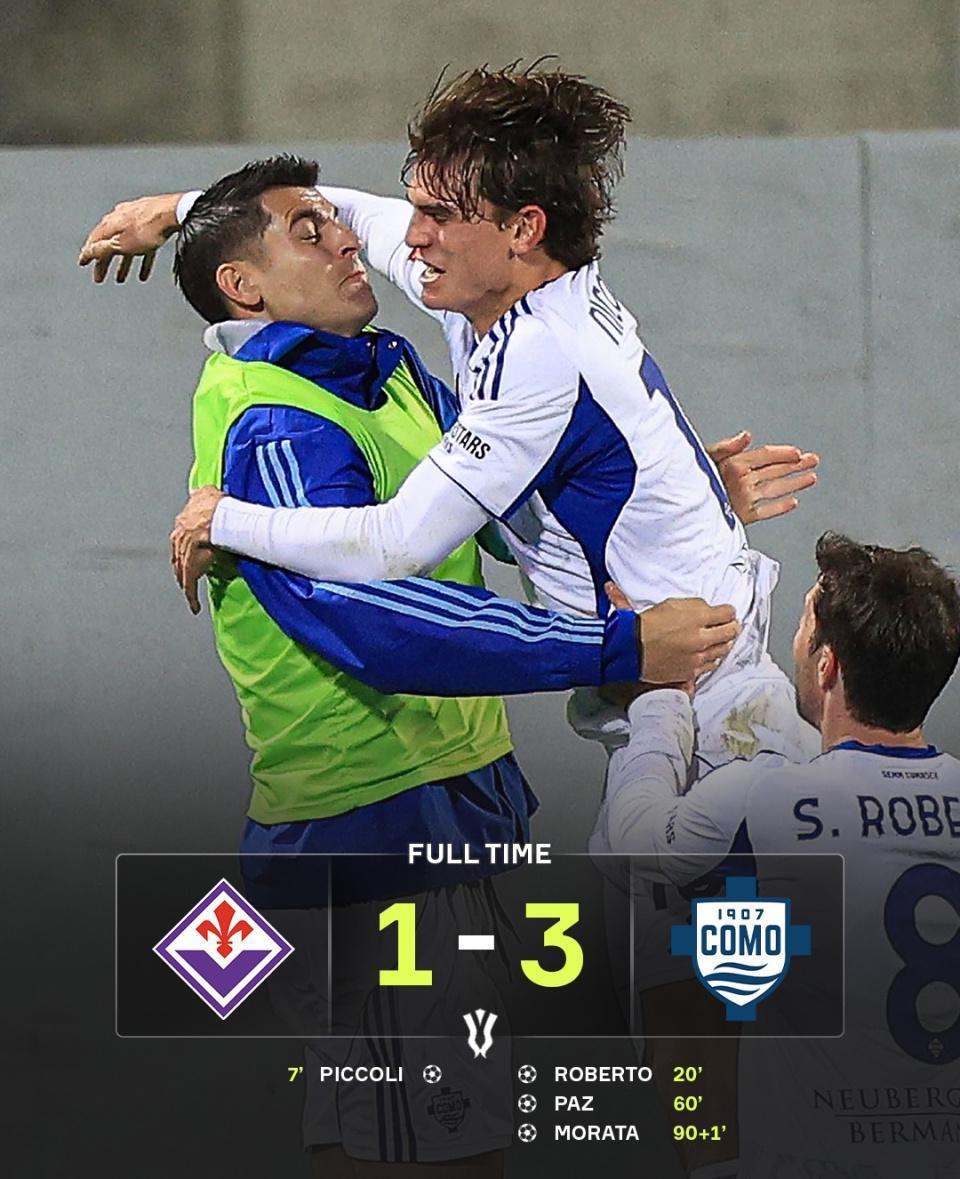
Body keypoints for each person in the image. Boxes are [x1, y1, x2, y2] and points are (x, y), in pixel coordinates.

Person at [127, 151, 752, 1177]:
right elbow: (375, 616)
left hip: (451, 804)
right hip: (372, 827)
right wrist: (617, 646)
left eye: (335, 220)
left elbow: (502, 500)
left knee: (401, 1137)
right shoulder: (278, 419)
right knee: (448, 1149)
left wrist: (657, 494)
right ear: (243, 286)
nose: (349, 240)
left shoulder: (383, 367)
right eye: (309, 232)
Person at [592, 531, 960, 1178]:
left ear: (827, 666)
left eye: (803, 627)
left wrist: (659, 699)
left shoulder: (765, 799)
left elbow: (631, 841)